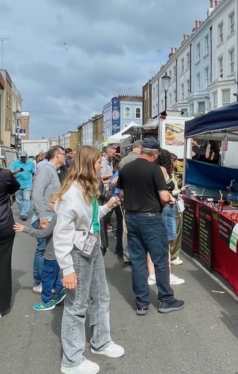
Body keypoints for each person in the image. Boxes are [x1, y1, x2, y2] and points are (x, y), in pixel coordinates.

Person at [53, 145, 124, 373]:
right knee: (76, 305)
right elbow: (62, 233)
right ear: (87, 164)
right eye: (97, 162)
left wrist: (106, 207)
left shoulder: (85, 187)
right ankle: (71, 360)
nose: (100, 165)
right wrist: (67, 269)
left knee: (101, 296)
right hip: (77, 252)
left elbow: (90, 221)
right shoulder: (72, 192)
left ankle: (101, 342)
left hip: (92, 247)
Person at [117, 137, 185, 315]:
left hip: (131, 217)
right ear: (154, 153)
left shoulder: (126, 168)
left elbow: (122, 194)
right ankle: (166, 300)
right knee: (161, 260)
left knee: (138, 262)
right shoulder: (155, 170)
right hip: (151, 218)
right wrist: (170, 199)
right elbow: (163, 197)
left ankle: (141, 303)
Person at [14, 193, 67, 311]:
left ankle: (47, 301)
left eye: (52, 202)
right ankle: (61, 290)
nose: (49, 204)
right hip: (58, 253)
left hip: (51, 254)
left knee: (47, 277)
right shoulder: (62, 216)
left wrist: (25, 229)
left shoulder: (57, 217)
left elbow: (44, 234)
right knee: (53, 275)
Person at [146, 150, 185, 285]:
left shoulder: (151, 169)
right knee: (166, 243)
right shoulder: (162, 170)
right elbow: (164, 192)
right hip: (165, 208)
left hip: (155, 208)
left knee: (154, 243)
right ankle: (166, 275)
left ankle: (152, 275)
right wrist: (171, 197)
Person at [31, 146, 66, 294]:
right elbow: (37, 194)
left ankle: (49, 282)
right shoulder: (46, 170)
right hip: (44, 217)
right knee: (43, 250)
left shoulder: (52, 170)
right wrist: (42, 217)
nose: (65, 157)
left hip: (49, 217)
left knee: (48, 251)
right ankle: (39, 283)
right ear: (58, 155)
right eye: (64, 154)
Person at [0, 165, 20, 319]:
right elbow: (15, 187)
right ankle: (1, 307)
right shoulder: (5, 174)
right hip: (4, 225)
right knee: (3, 266)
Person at [10, 150, 35, 221]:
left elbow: (33, 173)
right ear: (20, 157)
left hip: (28, 185)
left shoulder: (31, 163)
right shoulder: (15, 163)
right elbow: (11, 172)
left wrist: (34, 183)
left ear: (27, 155)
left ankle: (24, 214)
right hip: (17, 185)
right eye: (22, 157)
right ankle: (23, 212)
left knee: (26, 199)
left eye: (25, 156)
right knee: (19, 201)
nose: (24, 158)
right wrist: (17, 170)